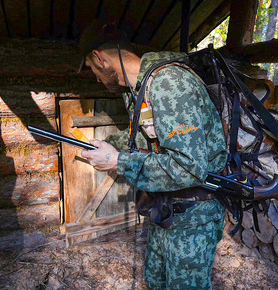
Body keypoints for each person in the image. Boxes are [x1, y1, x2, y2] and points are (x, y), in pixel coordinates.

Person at [79, 20, 227, 289]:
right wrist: (107, 145)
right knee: (155, 281)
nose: (96, 79)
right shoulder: (139, 89)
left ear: (100, 59)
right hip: (166, 209)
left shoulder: (171, 83)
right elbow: (146, 140)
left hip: (194, 217)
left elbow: (189, 167)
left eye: (92, 70)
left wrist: (117, 161)